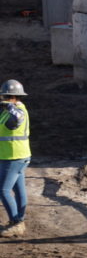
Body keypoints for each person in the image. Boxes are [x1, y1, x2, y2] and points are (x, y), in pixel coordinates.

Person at [0, 79, 30, 238]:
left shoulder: (17, 110)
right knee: (19, 189)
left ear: (13, 97)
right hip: (16, 155)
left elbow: (17, 119)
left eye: (5, 97)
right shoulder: (8, 111)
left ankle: (16, 222)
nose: (2, 99)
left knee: (3, 190)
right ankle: (19, 220)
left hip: (12, 156)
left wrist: (9, 106)